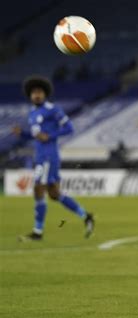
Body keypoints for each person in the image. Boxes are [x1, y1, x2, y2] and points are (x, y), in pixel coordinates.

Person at [13, 76, 95, 241]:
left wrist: (50, 135)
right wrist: (22, 134)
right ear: (30, 95)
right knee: (54, 194)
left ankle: (37, 232)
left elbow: (69, 128)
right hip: (40, 156)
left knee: (38, 190)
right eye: (34, 93)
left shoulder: (53, 109)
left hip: (48, 157)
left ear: (45, 94)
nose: (36, 95)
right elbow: (37, 136)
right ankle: (86, 216)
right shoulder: (32, 113)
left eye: (39, 92)